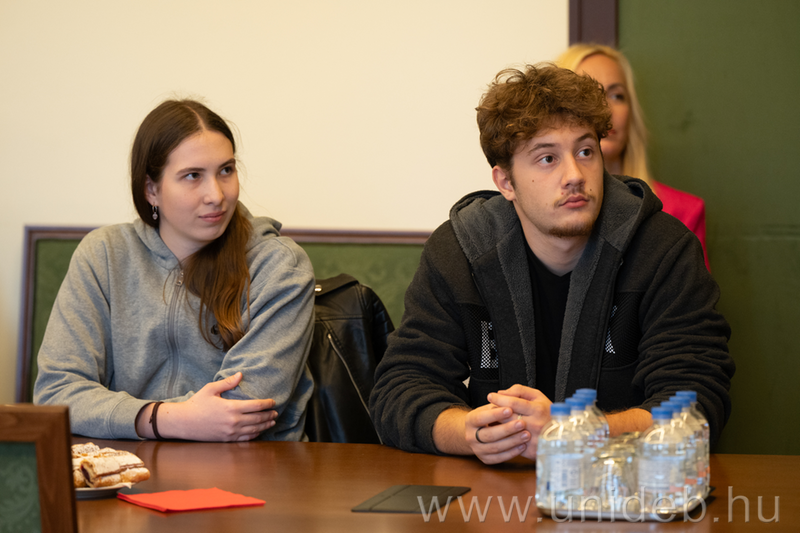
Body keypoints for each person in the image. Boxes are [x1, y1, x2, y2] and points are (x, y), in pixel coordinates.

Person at [369, 64, 734, 465]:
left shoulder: (663, 249)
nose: (574, 175)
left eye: (585, 152)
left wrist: (576, 433)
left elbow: (696, 404)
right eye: (547, 158)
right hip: (495, 490)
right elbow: (399, 389)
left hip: (621, 488)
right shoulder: (459, 250)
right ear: (505, 182)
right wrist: (470, 433)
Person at [34, 99, 315, 442]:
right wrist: (164, 419)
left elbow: (245, 408)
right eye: (193, 176)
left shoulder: (279, 265)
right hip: (129, 465)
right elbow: (56, 392)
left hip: (248, 468)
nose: (216, 195)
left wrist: (121, 415)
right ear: (151, 190)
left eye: (226, 170)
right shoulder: (104, 255)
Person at [557, 44, 710, 269]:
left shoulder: (683, 212)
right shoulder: (543, 210)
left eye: (617, 96)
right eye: (587, 95)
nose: (606, 109)